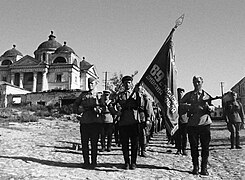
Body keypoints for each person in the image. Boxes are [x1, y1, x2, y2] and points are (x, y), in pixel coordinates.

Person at [179, 76, 215, 176]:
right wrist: (190, 106)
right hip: (192, 124)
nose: (197, 84)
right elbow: (181, 105)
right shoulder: (189, 95)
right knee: (193, 147)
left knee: (205, 147)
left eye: (198, 82)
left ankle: (204, 168)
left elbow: (213, 106)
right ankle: (195, 166)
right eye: (195, 82)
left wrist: (210, 108)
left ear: (202, 83)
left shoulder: (206, 96)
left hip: (204, 123)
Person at [73, 77, 102, 169]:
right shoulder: (83, 95)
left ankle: (93, 162)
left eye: (92, 84)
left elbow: (104, 107)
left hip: (95, 122)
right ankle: (86, 162)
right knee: (84, 143)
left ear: (95, 84)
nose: (90, 85)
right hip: (85, 121)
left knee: (94, 144)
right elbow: (75, 104)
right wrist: (78, 112)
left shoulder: (99, 95)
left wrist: (98, 110)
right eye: (89, 84)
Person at [114, 75, 139, 170]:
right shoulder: (120, 95)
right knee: (124, 144)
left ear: (131, 84)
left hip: (134, 120)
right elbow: (111, 104)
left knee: (134, 144)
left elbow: (141, 104)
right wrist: (116, 112)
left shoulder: (136, 94)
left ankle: (133, 162)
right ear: (123, 84)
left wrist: (138, 94)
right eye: (125, 83)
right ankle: (126, 162)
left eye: (129, 82)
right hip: (123, 121)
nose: (127, 84)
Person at [135, 83, 153, 157]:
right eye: (137, 88)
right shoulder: (133, 97)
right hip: (134, 117)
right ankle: (136, 150)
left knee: (143, 135)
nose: (138, 90)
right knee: (135, 135)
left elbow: (148, 109)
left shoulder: (145, 98)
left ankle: (143, 150)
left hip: (142, 117)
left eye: (140, 89)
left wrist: (148, 119)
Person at [175, 88, 189, 155]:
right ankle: (178, 149)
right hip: (176, 121)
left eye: (181, 92)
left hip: (184, 121)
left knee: (184, 136)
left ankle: (184, 149)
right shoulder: (174, 101)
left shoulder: (186, 101)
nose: (180, 94)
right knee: (177, 136)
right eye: (179, 92)